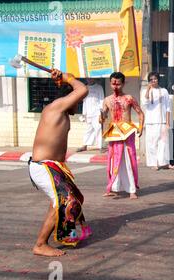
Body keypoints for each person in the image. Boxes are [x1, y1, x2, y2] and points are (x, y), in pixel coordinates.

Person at [28, 69, 90, 257]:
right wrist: (67, 78)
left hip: (54, 167)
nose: (78, 106)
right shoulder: (56, 107)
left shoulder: (62, 112)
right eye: (77, 102)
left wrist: (61, 81)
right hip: (43, 166)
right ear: (69, 98)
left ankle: (64, 233)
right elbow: (82, 89)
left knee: (74, 198)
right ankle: (40, 244)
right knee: (64, 200)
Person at [101, 72, 144, 199]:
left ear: (123, 84)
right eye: (113, 83)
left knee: (128, 160)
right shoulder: (107, 100)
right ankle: (113, 187)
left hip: (127, 132)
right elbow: (103, 117)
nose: (115, 86)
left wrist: (140, 127)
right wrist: (102, 117)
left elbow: (140, 113)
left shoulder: (129, 98)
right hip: (114, 133)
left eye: (118, 84)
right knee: (113, 160)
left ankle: (132, 190)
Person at [141, 72, 174, 170]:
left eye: (155, 79)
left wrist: (168, 122)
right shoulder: (146, 91)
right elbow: (145, 102)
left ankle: (163, 163)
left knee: (163, 143)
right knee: (152, 143)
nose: (153, 81)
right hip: (151, 122)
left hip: (163, 121)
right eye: (151, 79)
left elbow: (168, 107)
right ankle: (153, 163)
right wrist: (148, 89)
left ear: (158, 79)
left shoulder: (164, 91)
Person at [77, 78, 105, 152]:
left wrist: (101, 113)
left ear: (94, 79)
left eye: (91, 78)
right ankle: (84, 145)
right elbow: (84, 101)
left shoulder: (99, 87)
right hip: (88, 113)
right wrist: (84, 114)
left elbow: (101, 100)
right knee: (88, 129)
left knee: (98, 129)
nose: (89, 79)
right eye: (88, 78)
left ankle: (100, 147)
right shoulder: (85, 88)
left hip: (97, 113)